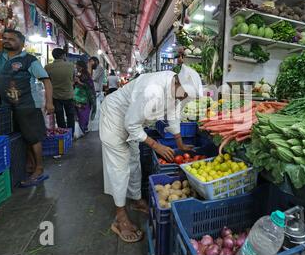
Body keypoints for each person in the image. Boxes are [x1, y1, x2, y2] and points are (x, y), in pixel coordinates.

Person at [100, 65, 202, 243]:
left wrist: (180, 142)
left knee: (134, 161)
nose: (184, 98)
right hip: (114, 117)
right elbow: (130, 124)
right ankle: (120, 216)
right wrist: (156, 146)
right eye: (184, 94)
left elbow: (174, 112)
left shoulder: (176, 87)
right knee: (120, 167)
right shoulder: (152, 91)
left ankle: (136, 199)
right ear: (177, 82)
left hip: (133, 122)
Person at [0, 29, 54, 187]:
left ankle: (39, 168)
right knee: (23, 138)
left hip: (28, 105)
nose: (6, 41)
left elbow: (46, 80)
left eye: (11, 39)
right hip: (8, 106)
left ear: (21, 43)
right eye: (4, 38)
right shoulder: (1, 57)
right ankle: (31, 165)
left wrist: (49, 102)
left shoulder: (29, 60)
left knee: (33, 137)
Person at [45, 48, 76, 136]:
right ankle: (71, 135)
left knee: (59, 116)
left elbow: (47, 81)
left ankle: (63, 134)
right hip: (69, 95)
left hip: (55, 96)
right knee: (70, 116)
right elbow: (73, 79)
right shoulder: (71, 66)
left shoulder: (47, 67)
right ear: (63, 55)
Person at [74, 61, 96, 135]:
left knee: (83, 115)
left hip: (84, 98)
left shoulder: (86, 75)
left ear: (81, 67)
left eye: (77, 66)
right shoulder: (79, 74)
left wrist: (79, 82)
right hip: (77, 98)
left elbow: (89, 86)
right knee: (80, 115)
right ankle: (81, 130)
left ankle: (83, 129)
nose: (76, 67)